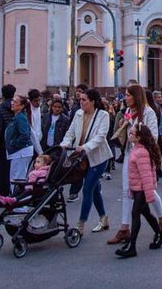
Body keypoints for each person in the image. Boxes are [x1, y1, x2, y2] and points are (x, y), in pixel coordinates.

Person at [107, 84, 162, 245]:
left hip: (142, 157)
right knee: (126, 190)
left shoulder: (148, 113)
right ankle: (124, 228)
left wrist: (138, 140)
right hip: (129, 154)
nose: (125, 98)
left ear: (136, 96)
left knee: (148, 189)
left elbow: (153, 136)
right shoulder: (129, 112)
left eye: (128, 95)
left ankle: (161, 219)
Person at [62, 88, 112, 234]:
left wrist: (84, 147)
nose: (81, 102)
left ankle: (80, 224)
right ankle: (103, 218)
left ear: (93, 102)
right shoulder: (78, 114)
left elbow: (101, 137)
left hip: (98, 158)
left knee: (87, 189)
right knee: (94, 189)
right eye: (80, 99)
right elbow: (70, 133)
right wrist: (64, 144)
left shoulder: (103, 115)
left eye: (84, 100)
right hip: (82, 158)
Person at [115, 124, 162, 258]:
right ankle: (160, 234)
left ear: (138, 137)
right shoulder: (137, 149)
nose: (129, 135)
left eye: (132, 133)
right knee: (146, 213)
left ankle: (132, 246)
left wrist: (148, 195)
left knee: (135, 213)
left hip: (142, 189)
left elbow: (147, 177)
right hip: (138, 188)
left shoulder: (141, 152)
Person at [0, 84, 16, 203]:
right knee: (13, 172)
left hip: (2, 146)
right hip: (15, 145)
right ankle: (13, 195)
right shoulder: (17, 107)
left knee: (1, 173)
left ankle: (2, 197)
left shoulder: (0, 109)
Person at [5, 97, 36, 181]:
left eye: (15, 102)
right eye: (12, 101)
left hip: (21, 152)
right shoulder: (17, 117)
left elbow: (25, 135)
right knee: (15, 176)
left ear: (22, 106)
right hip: (18, 152)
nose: (12, 103)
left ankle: (17, 193)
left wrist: (13, 143)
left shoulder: (20, 117)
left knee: (17, 177)